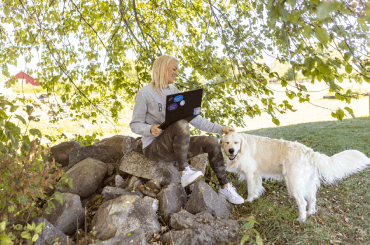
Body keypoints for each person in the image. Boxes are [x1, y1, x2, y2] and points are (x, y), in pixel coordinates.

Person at [129, 54, 244, 204]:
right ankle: (184, 171)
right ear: (163, 69)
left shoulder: (175, 92)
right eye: (174, 69)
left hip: (176, 148)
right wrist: (150, 129)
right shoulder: (145, 93)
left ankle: (225, 187)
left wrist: (220, 128)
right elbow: (134, 124)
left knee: (212, 142)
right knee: (181, 123)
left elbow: (195, 119)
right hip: (155, 148)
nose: (177, 73)